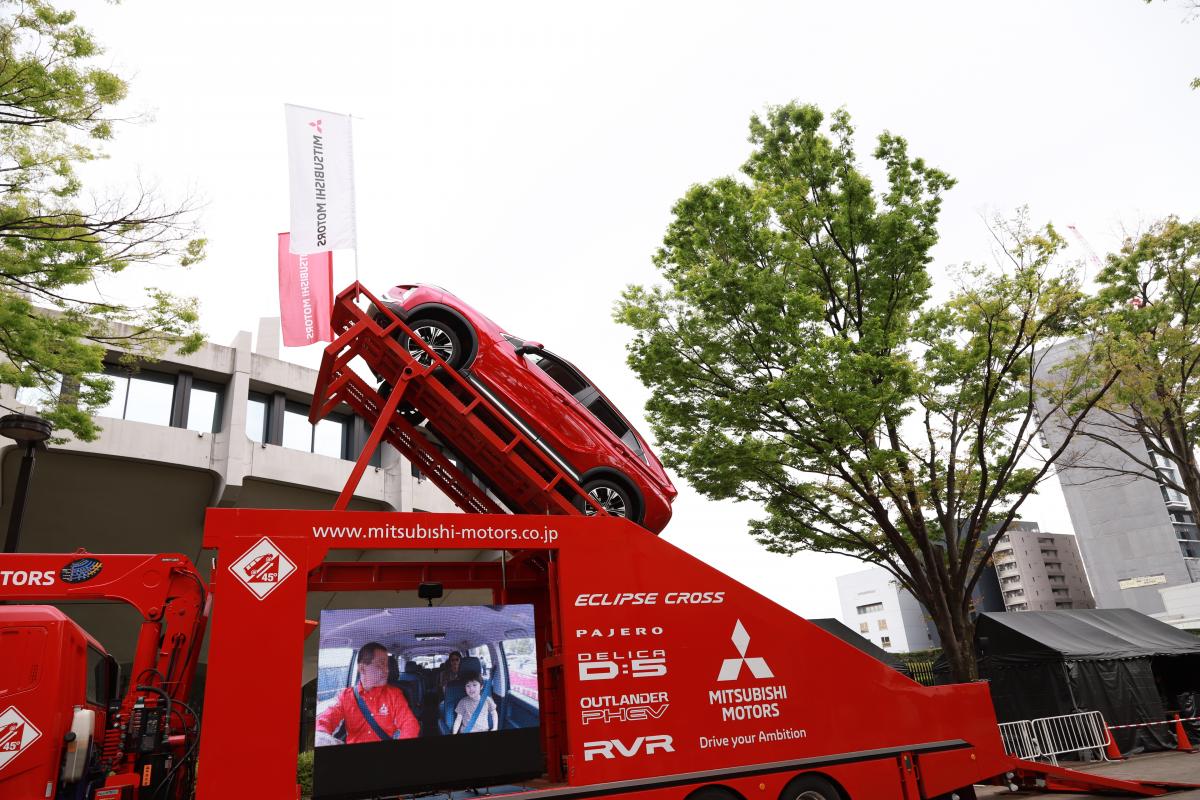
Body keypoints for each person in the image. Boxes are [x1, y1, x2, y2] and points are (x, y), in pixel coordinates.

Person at [315, 642, 420, 746]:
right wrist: (321, 734)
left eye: (387, 665)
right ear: (362, 669)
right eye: (381, 664)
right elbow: (327, 718)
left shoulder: (394, 694)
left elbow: (410, 724)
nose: (387, 670)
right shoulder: (346, 696)